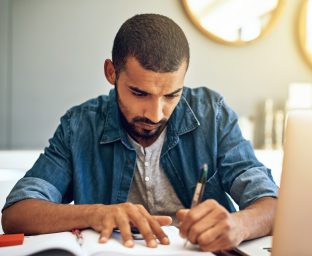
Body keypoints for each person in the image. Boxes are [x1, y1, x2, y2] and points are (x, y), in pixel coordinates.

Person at [1, 13, 278, 252]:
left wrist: (239, 225)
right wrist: (96, 213)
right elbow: (17, 213)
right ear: (111, 72)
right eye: (139, 92)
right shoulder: (80, 125)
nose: (155, 114)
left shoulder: (212, 114)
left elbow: (274, 205)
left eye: (171, 95)